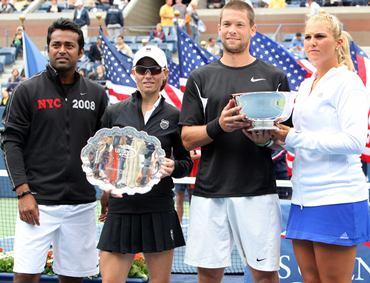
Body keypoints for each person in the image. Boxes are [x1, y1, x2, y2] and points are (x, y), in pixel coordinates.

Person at [179, 1, 290, 282]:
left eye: (239, 24)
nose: (232, 30)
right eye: (227, 24)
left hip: (258, 191)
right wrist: (220, 125)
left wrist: (265, 140)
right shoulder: (200, 77)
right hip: (210, 192)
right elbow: (187, 137)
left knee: (265, 275)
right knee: (208, 275)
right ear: (218, 29)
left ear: (253, 29)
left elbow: (286, 137)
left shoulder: (274, 77)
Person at [1, 18, 108, 283]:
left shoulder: (96, 94)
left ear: (80, 52)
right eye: (56, 44)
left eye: (69, 45)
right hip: (37, 204)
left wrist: (108, 188)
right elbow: (11, 142)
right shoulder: (26, 91)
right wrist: (23, 192)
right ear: (48, 49)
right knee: (25, 277)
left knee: (73, 278)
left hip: (82, 204)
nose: (62, 49)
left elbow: (106, 147)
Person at [273, 12, 370, 283]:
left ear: (338, 43)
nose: (312, 42)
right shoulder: (305, 86)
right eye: (307, 37)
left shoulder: (348, 83)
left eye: (320, 36)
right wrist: (271, 136)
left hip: (336, 196)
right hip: (304, 197)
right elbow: (298, 136)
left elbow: (354, 142)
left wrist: (292, 137)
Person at [97, 45, 192, 283]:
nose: (148, 75)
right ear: (134, 73)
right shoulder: (114, 112)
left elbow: (186, 163)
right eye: (142, 69)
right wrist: (107, 186)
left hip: (158, 208)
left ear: (164, 73)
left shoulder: (174, 115)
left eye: (154, 69)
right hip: (122, 209)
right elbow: (99, 158)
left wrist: (173, 166)